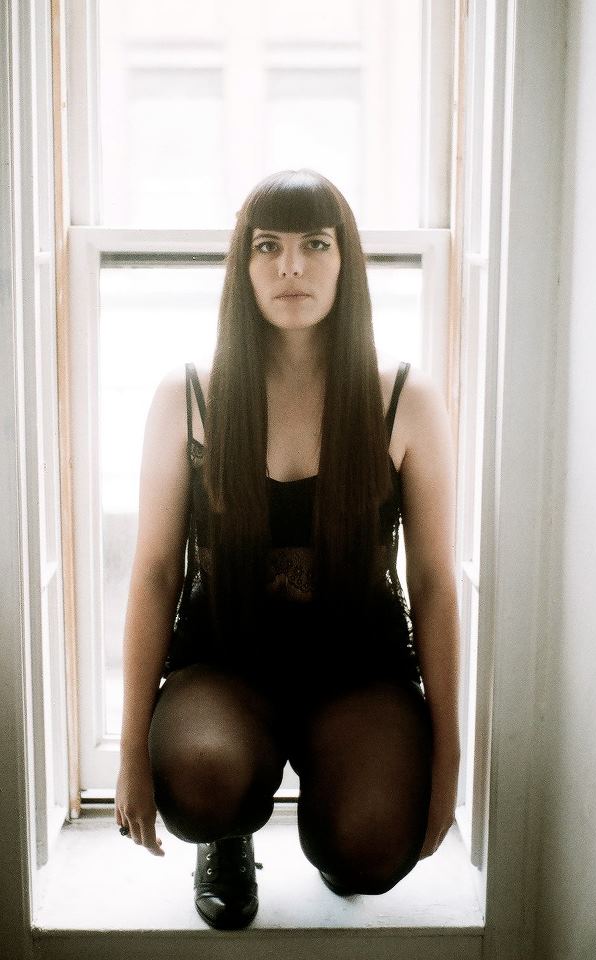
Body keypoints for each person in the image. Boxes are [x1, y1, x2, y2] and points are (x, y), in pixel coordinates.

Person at [115, 169, 460, 930]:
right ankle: (229, 835)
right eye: (267, 246)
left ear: (346, 260)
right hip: (224, 665)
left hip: (359, 670)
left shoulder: (403, 398)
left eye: (315, 244)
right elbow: (153, 574)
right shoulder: (189, 397)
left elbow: (436, 582)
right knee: (201, 782)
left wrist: (448, 754)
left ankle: (337, 829)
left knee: (370, 849)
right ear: (242, 267)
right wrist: (132, 750)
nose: (291, 266)